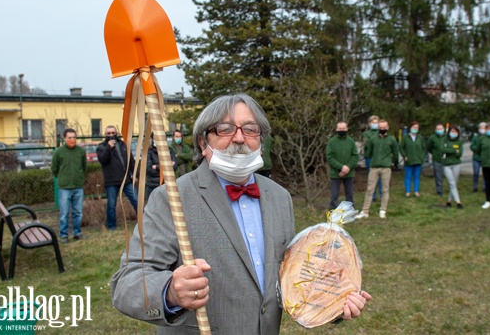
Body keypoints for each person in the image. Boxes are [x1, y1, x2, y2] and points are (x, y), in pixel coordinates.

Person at [111, 93, 370, 334]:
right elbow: (127, 283)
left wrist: (333, 300)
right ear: (203, 142)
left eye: (250, 129)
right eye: (224, 129)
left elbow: (289, 281)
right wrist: (170, 293)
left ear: (260, 140)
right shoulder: (172, 198)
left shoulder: (279, 198)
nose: (239, 138)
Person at [97, 125, 138, 231]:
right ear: (105, 135)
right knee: (111, 205)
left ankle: (144, 222)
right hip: (111, 181)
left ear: (116, 133)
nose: (111, 135)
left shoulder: (123, 145)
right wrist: (109, 148)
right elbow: (103, 160)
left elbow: (131, 160)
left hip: (126, 180)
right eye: (108, 133)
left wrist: (135, 175)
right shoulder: (101, 147)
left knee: (137, 200)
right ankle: (111, 226)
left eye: (113, 133)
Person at [356, 119, 399, 219]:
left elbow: (395, 153)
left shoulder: (391, 139)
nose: (382, 129)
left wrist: (390, 162)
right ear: (378, 128)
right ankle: (365, 211)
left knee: (385, 189)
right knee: (370, 189)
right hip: (374, 167)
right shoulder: (373, 138)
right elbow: (368, 152)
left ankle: (383, 210)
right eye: (381, 127)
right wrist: (373, 161)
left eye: (384, 127)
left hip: (386, 168)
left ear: (387, 128)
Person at [51, 128, 86, 243]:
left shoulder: (81, 152)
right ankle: (64, 235)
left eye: (74, 137)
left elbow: (84, 167)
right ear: (64, 138)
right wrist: (63, 178)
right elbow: (54, 169)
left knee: (78, 212)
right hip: (64, 188)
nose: (72, 140)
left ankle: (77, 233)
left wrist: (80, 178)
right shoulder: (58, 152)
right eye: (69, 137)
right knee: (64, 213)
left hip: (78, 186)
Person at [326, 121, 359, 210]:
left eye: (343, 128)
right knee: (334, 196)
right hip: (335, 173)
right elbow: (329, 157)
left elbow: (355, 156)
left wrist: (348, 167)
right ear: (336, 129)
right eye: (340, 129)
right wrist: (341, 167)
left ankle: (350, 213)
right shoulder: (332, 142)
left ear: (347, 129)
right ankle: (332, 214)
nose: (342, 130)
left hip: (349, 173)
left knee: (350, 195)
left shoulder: (351, 141)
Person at [400, 121, 426, 197]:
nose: (415, 129)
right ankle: (408, 191)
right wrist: (404, 156)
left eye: (417, 128)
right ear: (410, 128)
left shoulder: (420, 138)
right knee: (408, 176)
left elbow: (424, 148)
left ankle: (416, 191)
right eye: (414, 127)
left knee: (416, 176)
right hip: (408, 160)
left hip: (418, 160)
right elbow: (401, 148)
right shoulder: (405, 137)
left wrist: (422, 157)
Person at [441, 126, 464, 209]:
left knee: (454, 183)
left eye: (455, 131)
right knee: (452, 183)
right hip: (447, 165)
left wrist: (449, 150)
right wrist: (454, 150)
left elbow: (459, 154)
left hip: (456, 164)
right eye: (452, 131)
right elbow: (442, 149)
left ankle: (449, 201)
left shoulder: (459, 142)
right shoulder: (445, 140)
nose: (453, 133)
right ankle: (458, 202)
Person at [363, 115, 382, 200]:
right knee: (371, 177)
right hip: (369, 157)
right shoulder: (366, 134)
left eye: (376, 122)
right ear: (369, 123)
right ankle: (372, 195)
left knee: (381, 177)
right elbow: (367, 144)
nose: (374, 124)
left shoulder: (382, 132)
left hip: (380, 157)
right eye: (373, 123)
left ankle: (382, 194)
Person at [427, 123, 447, 201]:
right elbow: (429, 147)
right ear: (435, 130)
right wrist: (435, 153)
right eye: (438, 129)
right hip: (437, 160)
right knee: (438, 177)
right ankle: (439, 191)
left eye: (441, 129)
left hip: (446, 160)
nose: (439, 130)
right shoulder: (432, 138)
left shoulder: (446, 137)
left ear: (444, 129)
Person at [470, 122, 486, 193]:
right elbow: (472, 146)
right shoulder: (475, 137)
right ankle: (475, 186)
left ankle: (485, 187)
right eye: (481, 128)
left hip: (485, 158)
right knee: (476, 172)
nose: (482, 129)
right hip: (476, 158)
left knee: (485, 173)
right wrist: (478, 149)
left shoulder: (487, 137)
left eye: (483, 128)